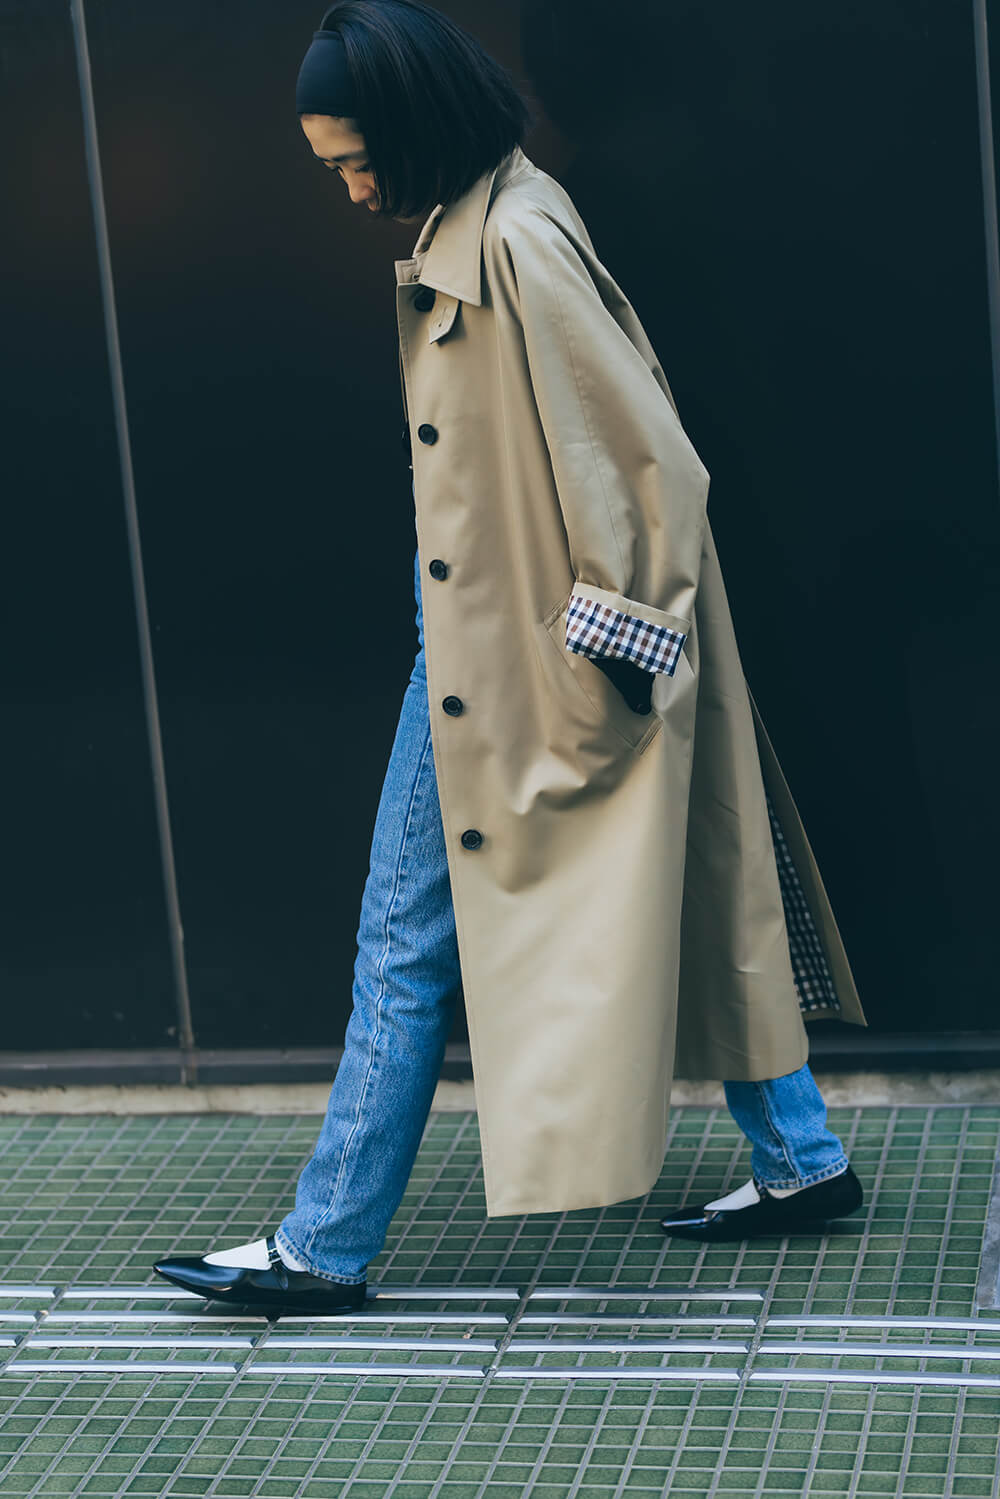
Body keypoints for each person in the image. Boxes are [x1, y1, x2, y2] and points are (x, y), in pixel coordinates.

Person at [154, 0, 864, 1317]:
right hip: (513, 644)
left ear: (414, 127)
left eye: (357, 160)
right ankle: (802, 1157)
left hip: (518, 660)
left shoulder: (514, 241)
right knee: (699, 877)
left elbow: (649, 463)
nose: (349, 189)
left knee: (404, 937)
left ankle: (324, 1247)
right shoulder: (485, 220)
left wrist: (610, 660)